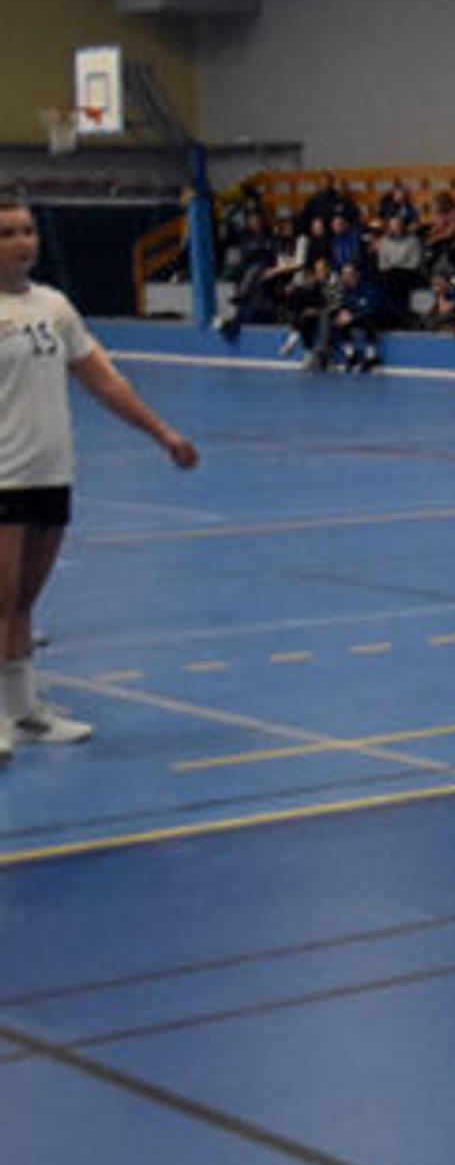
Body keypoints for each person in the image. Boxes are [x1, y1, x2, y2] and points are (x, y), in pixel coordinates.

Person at [0, 190, 200, 760]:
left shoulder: (54, 306)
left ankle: (25, 712)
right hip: (2, 477)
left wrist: (163, 434)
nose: (22, 242)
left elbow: (103, 381)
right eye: (7, 233)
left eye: (27, 230)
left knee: (24, 603)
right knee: (0, 601)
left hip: (49, 472)